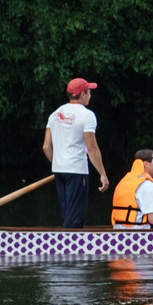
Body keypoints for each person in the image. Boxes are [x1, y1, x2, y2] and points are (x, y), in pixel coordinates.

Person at [40, 77, 109, 229]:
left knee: (67, 214)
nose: (90, 95)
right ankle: (68, 242)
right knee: (76, 217)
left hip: (59, 170)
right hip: (77, 170)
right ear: (83, 94)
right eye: (89, 92)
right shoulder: (87, 115)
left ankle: (64, 240)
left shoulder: (54, 114)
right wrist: (102, 174)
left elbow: (46, 147)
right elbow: (92, 147)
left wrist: (58, 163)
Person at [114, 149, 153, 226]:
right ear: (146, 164)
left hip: (119, 230)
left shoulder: (125, 181)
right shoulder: (147, 185)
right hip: (138, 231)